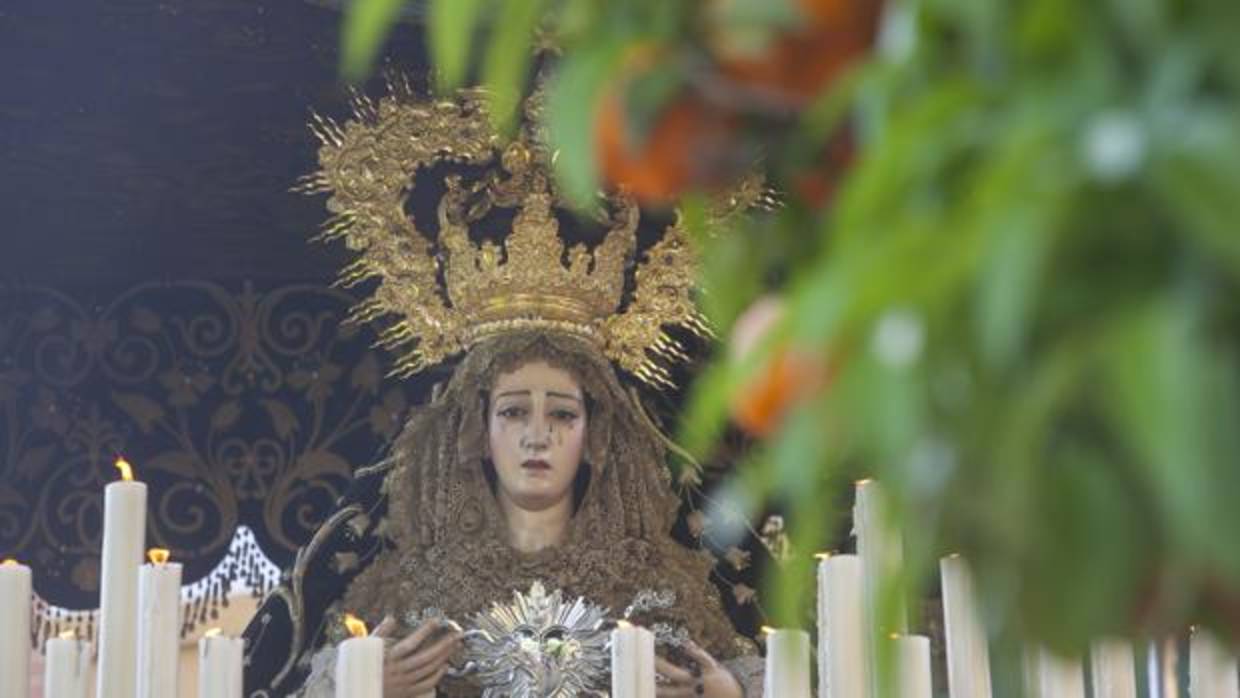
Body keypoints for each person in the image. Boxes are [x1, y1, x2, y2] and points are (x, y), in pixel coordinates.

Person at [241, 82, 768, 697]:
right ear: (478, 432)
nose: (537, 434)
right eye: (514, 412)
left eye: (563, 414)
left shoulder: (667, 589)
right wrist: (359, 686)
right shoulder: (405, 592)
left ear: (596, 434)